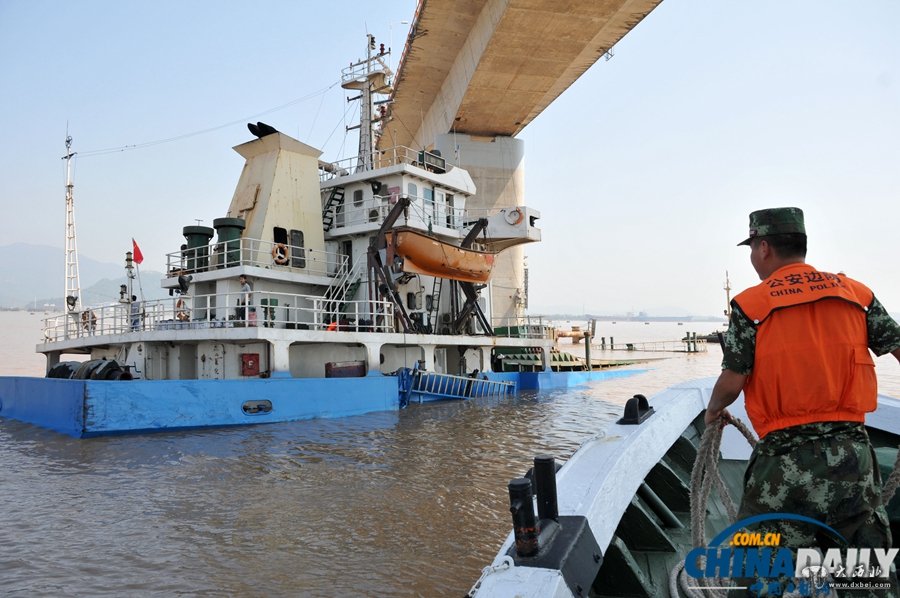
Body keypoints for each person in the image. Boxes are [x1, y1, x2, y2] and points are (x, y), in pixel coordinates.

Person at [705, 207, 900, 593]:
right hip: (852, 456)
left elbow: (733, 379)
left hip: (784, 461)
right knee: (863, 569)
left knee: (761, 564)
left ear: (763, 248)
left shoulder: (752, 305)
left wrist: (713, 411)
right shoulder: (856, 295)